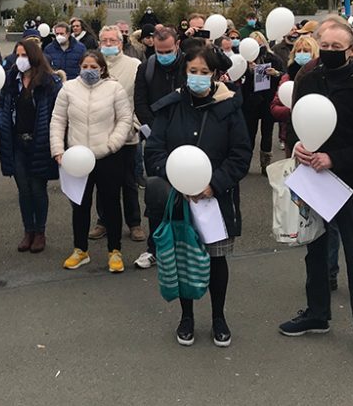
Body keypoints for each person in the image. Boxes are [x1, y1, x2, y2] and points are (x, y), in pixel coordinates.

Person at [281, 16, 353, 368]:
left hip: (351, 184)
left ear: (352, 49)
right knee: (314, 251)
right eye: (324, 47)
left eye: (336, 48)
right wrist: (298, 147)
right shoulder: (309, 78)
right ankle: (317, 312)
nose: (328, 53)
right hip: (313, 181)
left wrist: (335, 158)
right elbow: (297, 123)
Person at [144, 45, 251, 347]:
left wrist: (213, 184)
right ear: (185, 72)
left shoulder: (229, 106)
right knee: (182, 258)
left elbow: (241, 154)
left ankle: (219, 317)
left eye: (205, 73)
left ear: (216, 74)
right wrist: (175, 177)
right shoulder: (171, 106)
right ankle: (186, 317)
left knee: (217, 260)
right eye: (193, 71)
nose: (199, 77)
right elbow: (153, 151)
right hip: (179, 198)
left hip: (217, 198)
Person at [50, 51, 133, 273]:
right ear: (79, 67)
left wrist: (112, 144)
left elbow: (125, 119)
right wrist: (58, 149)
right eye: (85, 66)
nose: (89, 70)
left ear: (102, 69)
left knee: (112, 205)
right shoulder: (68, 89)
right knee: (79, 205)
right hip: (77, 158)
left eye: (93, 66)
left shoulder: (114, 88)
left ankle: (114, 251)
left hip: (107, 156)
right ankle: (80, 250)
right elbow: (58, 120)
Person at [0, 41, 62, 253]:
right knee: (23, 189)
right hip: (16, 142)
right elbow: (1, 104)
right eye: (17, 54)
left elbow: (56, 113)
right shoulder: (11, 79)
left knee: (37, 189)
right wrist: (0, 122)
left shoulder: (48, 83)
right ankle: (28, 231)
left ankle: (40, 232)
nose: (20, 59)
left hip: (39, 142)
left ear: (34, 56)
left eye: (24, 54)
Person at [132, 27, 187, 269]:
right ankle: (154, 248)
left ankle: (186, 246)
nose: (164, 55)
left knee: (188, 192)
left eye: (168, 50)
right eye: (158, 50)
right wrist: (157, 130)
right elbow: (140, 103)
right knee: (156, 196)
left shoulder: (190, 64)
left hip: (187, 138)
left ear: (177, 46)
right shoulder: (146, 68)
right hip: (156, 140)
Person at [88, 26, 144, 243]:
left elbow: (139, 100)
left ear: (121, 43)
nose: (109, 45)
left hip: (127, 136)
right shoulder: (93, 67)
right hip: (100, 137)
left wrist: (135, 126)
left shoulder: (134, 66)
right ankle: (104, 221)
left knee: (128, 182)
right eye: (105, 41)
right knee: (102, 183)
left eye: (113, 41)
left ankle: (134, 223)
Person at [270, 36, 320, 160]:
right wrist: (293, 111)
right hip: (292, 136)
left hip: (320, 135)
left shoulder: (322, 76)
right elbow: (275, 107)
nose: (302, 54)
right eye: (299, 51)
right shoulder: (287, 77)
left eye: (306, 51)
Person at [241, 31, 285, 175]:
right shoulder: (243, 61)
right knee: (249, 134)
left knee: (267, 133)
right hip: (250, 103)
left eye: (259, 43)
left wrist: (275, 73)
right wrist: (248, 70)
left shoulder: (273, 58)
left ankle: (265, 164)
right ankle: (244, 163)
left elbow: (283, 75)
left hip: (267, 100)